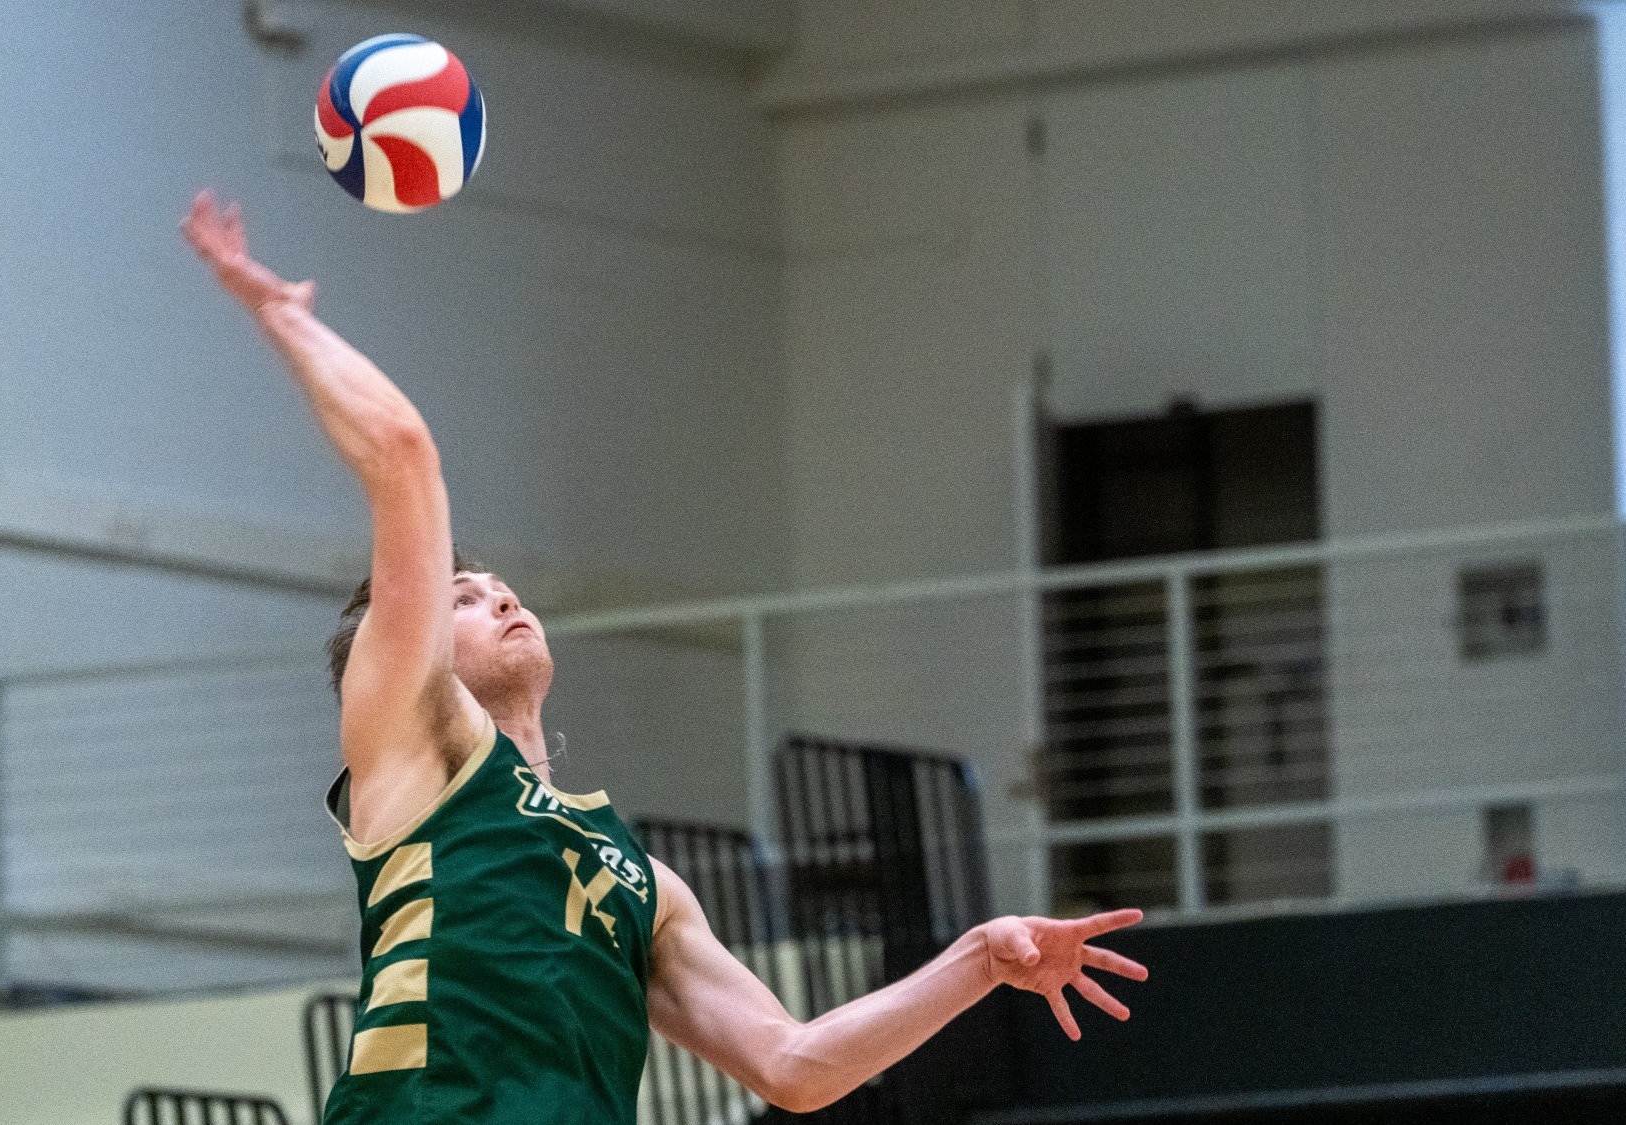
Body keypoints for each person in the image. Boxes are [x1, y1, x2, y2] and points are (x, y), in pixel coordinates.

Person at [180, 190, 1149, 1125]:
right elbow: (399, 449)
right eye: (461, 600)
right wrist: (281, 315)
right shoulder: (413, 753)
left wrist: (978, 959)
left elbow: (792, 1067)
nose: (501, 597)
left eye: (499, 587)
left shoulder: (637, 878)